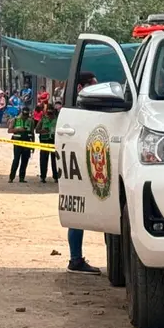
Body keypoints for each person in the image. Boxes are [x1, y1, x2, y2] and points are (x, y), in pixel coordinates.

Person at [66, 71, 102, 275]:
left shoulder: (88, 108)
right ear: (80, 88)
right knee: (77, 213)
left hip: (94, 164)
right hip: (81, 166)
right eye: (92, 86)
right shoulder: (78, 111)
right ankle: (76, 259)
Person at [7, 106, 35, 184]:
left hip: (27, 142)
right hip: (17, 142)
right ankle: (11, 177)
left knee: (25, 161)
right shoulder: (15, 120)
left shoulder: (31, 121)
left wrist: (33, 145)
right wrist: (18, 129)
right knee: (16, 160)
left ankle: (22, 178)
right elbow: (9, 130)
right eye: (24, 114)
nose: (25, 117)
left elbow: (32, 133)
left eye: (27, 115)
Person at [36, 103, 60, 183]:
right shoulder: (43, 119)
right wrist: (42, 131)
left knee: (55, 160)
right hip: (44, 141)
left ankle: (56, 177)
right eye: (48, 112)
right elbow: (37, 130)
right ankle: (43, 176)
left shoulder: (58, 120)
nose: (49, 114)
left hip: (54, 141)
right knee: (43, 159)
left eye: (51, 112)